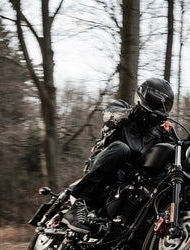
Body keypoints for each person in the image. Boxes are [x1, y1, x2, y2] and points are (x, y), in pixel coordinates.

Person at [63, 78, 176, 233]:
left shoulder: (159, 132)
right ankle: (78, 205)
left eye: (167, 105)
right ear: (148, 97)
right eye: (161, 102)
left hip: (128, 181)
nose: (163, 107)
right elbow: (110, 116)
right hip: (104, 166)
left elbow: (173, 148)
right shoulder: (122, 108)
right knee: (122, 149)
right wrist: (131, 113)